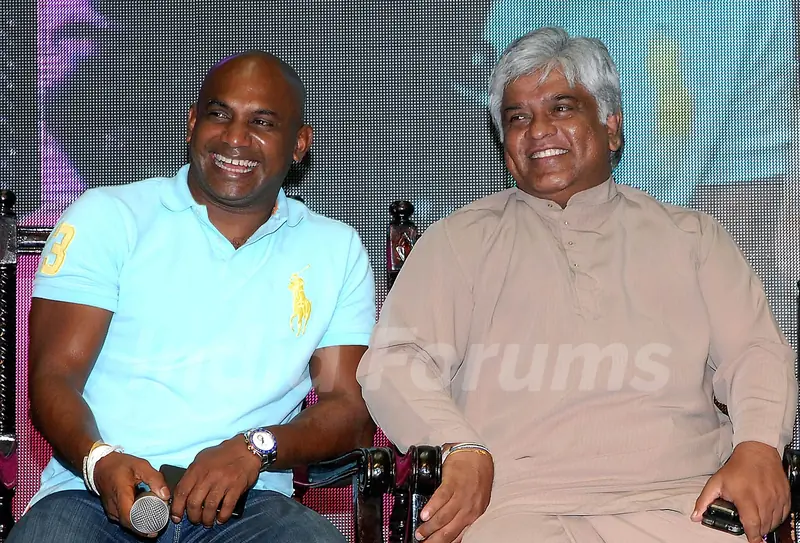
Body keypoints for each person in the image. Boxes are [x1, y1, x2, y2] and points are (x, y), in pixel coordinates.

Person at [357, 27, 797, 543]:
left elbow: (755, 353)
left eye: (562, 108)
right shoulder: (460, 241)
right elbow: (394, 361)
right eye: (518, 118)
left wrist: (759, 446)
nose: (538, 130)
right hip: (511, 513)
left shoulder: (692, 239)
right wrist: (457, 446)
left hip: (680, 508)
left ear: (612, 127)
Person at [9, 50, 377, 543]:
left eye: (262, 122)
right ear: (191, 123)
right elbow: (53, 380)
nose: (234, 138)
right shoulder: (110, 218)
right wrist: (101, 460)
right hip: (92, 495)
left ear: (298, 146)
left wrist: (257, 448)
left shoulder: (335, 249)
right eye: (218, 114)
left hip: (252, 506)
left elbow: (348, 410)